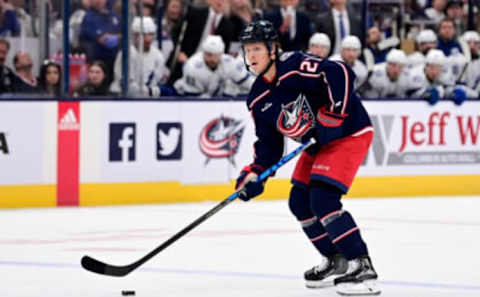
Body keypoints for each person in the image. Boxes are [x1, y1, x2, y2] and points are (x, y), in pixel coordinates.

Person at [235, 20, 380, 296]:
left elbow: (340, 72)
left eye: (256, 49)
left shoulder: (294, 66)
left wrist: (334, 115)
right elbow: (268, 145)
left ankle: (362, 266)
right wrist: (254, 174)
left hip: (349, 132)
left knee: (323, 199)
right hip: (317, 145)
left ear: (272, 49)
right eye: (247, 50)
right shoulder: (257, 98)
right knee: (299, 202)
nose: (251, 56)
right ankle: (336, 259)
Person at [174, 35, 254, 97]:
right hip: (185, 96)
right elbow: (192, 97)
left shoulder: (229, 62)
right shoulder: (192, 66)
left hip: (213, 96)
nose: (212, 59)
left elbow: (247, 82)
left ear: (221, 54)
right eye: (209, 55)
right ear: (203, 53)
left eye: (216, 55)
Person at [110, 16, 169, 96]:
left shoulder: (158, 56)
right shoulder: (126, 54)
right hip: (123, 99)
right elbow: (128, 88)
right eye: (144, 35)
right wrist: (154, 91)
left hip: (149, 101)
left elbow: (159, 80)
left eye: (151, 34)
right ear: (134, 35)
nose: (148, 39)